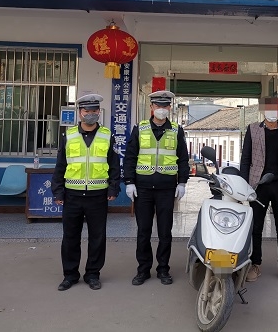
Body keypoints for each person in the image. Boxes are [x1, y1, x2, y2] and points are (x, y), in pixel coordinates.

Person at [51, 94, 120, 291]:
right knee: (70, 237)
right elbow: (60, 165)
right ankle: (70, 275)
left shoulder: (107, 135)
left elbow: (114, 165)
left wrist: (113, 187)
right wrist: (58, 191)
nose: (90, 114)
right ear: (80, 113)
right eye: (86, 111)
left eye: (94, 111)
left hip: (98, 195)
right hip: (72, 194)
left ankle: (93, 274)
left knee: (97, 237)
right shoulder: (69, 135)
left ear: (99, 112)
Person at [123, 90, 189, 286]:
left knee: (165, 232)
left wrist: (182, 182)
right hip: (143, 188)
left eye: (165, 106)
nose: (161, 109)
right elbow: (130, 157)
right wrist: (129, 182)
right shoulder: (140, 128)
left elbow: (183, 159)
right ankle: (143, 270)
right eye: (158, 106)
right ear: (151, 107)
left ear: (170, 108)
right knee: (143, 231)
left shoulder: (176, 130)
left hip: (166, 189)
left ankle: (163, 269)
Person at [240, 97, 278, 285]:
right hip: (258, 186)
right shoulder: (253, 130)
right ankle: (255, 264)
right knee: (256, 227)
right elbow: (245, 159)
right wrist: (244, 186)